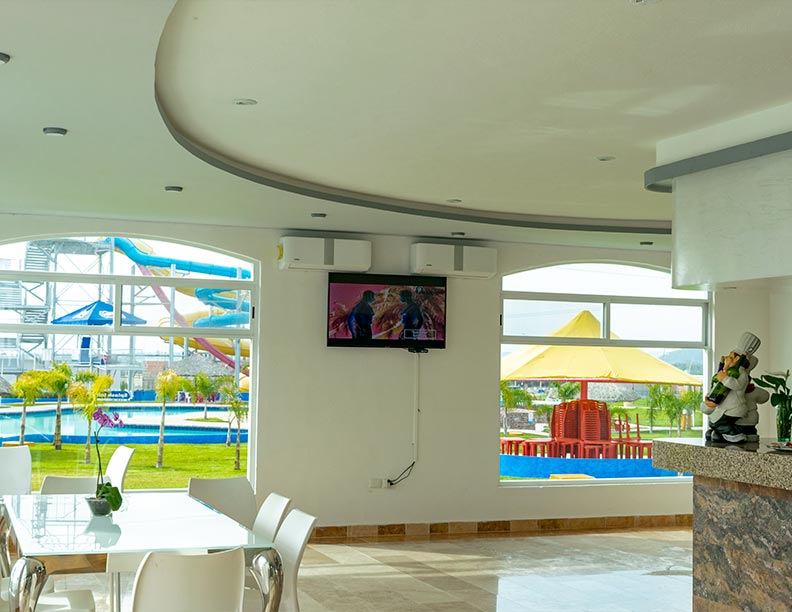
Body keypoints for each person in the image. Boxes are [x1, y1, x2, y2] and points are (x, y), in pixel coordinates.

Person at [701, 332, 761, 443]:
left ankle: (736, 435)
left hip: (734, 408)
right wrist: (708, 399)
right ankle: (721, 433)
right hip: (723, 408)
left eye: (730, 357)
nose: (726, 358)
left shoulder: (741, 373)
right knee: (713, 422)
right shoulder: (725, 372)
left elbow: (738, 385)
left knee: (716, 423)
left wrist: (724, 379)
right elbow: (715, 388)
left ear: (737, 359)